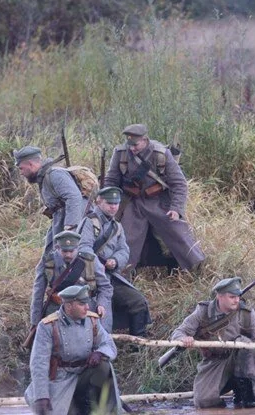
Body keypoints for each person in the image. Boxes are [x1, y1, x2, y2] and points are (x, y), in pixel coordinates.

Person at [103, 124, 206, 272]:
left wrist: (176, 209)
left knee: (178, 233)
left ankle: (196, 269)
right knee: (126, 238)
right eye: (129, 144)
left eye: (135, 145)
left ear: (145, 140)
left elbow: (179, 183)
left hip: (159, 202)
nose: (132, 148)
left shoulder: (161, 153)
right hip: (132, 202)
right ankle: (121, 275)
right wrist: (108, 201)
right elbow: (111, 180)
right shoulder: (120, 153)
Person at [170, 277, 255, 409]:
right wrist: (184, 339)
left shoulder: (246, 314)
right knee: (204, 401)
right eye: (232, 297)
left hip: (243, 362)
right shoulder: (203, 312)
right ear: (219, 296)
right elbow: (178, 333)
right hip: (215, 362)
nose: (236, 300)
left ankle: (249, 393)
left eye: (238, 296)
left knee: (244, 343)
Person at [24, 285, 122, 415]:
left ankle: (91, 408)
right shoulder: (48, 325)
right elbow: (39, 363)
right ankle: (74, 406)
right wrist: (42, 395)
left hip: (84, 374)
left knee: (103, 366)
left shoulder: (92, 320)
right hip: (60, 379)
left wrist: (99, 353)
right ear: (69, 306)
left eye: (87, 303)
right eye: (82, 304)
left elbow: (109, 344)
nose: (87, 307)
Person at [87, 186, 152, 337]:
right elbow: (84, 249)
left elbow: (124, 250)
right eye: (109, 203)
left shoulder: (117, 226)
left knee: (137, 302)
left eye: (116, 203)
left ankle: (137, 345)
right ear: (99, 202)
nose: (113, 207)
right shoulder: (89, 223)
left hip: (109, 276)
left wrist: (115, 261)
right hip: (88, 277)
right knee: (99, 314)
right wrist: (99, 267)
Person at [14, 145, 93, 252]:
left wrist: (70, 228)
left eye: (21, 168)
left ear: (30, 164)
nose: (21, 172)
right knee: (50, 255)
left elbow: (74, 197)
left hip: (77, 222)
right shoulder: (44, 177)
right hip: (60, 220)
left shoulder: (55, 174)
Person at [31, 230, 113, 332]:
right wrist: (35, 321)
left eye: (71, 251)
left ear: (77, 248)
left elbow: (105, 287)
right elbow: (38, 291)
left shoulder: (90, 260)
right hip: (57, 308)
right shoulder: (48, 261)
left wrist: (101, 304)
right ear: (57, 248)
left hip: (85, 307)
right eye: (64, 251)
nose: (68, 255)